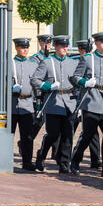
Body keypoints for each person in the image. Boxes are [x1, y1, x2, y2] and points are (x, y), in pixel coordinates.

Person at [70, 32, 103, 177]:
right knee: (87, 135)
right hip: (91, 100)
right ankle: (75, 161)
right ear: (96, 43)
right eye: (102, 42)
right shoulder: (87, 58)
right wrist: (84, 82)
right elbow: (75, 77)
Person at [31, 35, 78, 174]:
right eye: (62, 46)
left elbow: (78, 81)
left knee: (68, 135)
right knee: (53, 134)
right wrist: (48, 86)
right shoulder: (47, 62)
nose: (65, 48)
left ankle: (64, 164)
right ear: (56, 47)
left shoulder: (73, 63)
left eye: (66, 46)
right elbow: (35, 80)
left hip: (69, 102)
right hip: (53, 101)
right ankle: (41, 156)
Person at [71, 39, 102, 169]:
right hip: (80, 99)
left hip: (93, 99)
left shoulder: (95, 60)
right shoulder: (78, 60)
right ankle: (68, 156)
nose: (85, 52)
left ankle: (95, 159)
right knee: (81, 132)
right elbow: (75, 80)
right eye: (83, 50)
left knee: (92, 133)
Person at [11, 37, 38, 171]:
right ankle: (6, 159)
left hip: (27, 104)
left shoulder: (33, 64)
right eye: (22, 47)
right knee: (8, 135)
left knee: (27, 136)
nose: (25, 50)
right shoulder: (9, 64)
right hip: (12, 105)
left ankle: (27, 162)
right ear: (16, 48)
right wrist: (9, 88)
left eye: (26, 47)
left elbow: (36, 84)